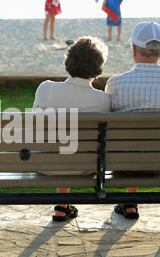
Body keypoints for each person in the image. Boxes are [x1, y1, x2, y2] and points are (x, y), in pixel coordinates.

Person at [104, 21, 160, 219]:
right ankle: (129, 201)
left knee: (132, 141)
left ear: (133, 49)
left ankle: (130, 201)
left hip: (122, 165)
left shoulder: (116, 84)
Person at [33, 36, 110, 221]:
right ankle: (62, 206)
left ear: (68, 62)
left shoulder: (46, 88)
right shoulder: (103, 100)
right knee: (70, 149)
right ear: (98, 68)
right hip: (84, 166)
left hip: (45, 165)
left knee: (60, 146)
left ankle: (62, 206)